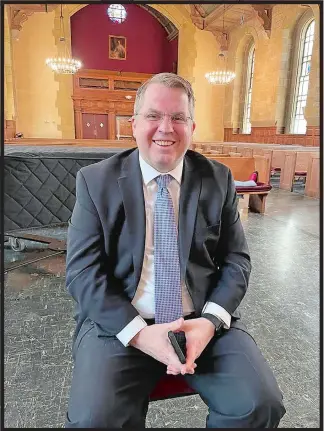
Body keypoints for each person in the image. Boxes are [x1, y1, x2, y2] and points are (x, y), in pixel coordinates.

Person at [65, 72, 286, 428]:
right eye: (153, 116)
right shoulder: (96, 181)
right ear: (134, 124)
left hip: (199, 319)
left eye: (178, 117)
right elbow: (82, 272)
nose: (166, 128)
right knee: (94, 420)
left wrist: (210, 322)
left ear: (192, 126)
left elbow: (236, 260)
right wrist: (137, 332)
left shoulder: (217, 178)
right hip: (121, 324)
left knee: (259, 404)